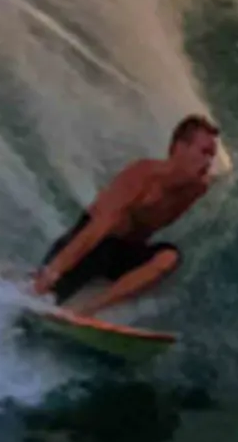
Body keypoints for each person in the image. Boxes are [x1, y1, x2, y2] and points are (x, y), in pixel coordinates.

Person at [29, 114, 223, 318]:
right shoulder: (142, 177)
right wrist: (52, 273)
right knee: (48, 296)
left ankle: (88, 310)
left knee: (170, 257)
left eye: (212, 156)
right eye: (204, 152)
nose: (208, 161)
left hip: (123, 254)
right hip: (93, 246)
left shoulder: (197, 188)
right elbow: (96, 229)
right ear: (179, 148)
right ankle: (40, 279)